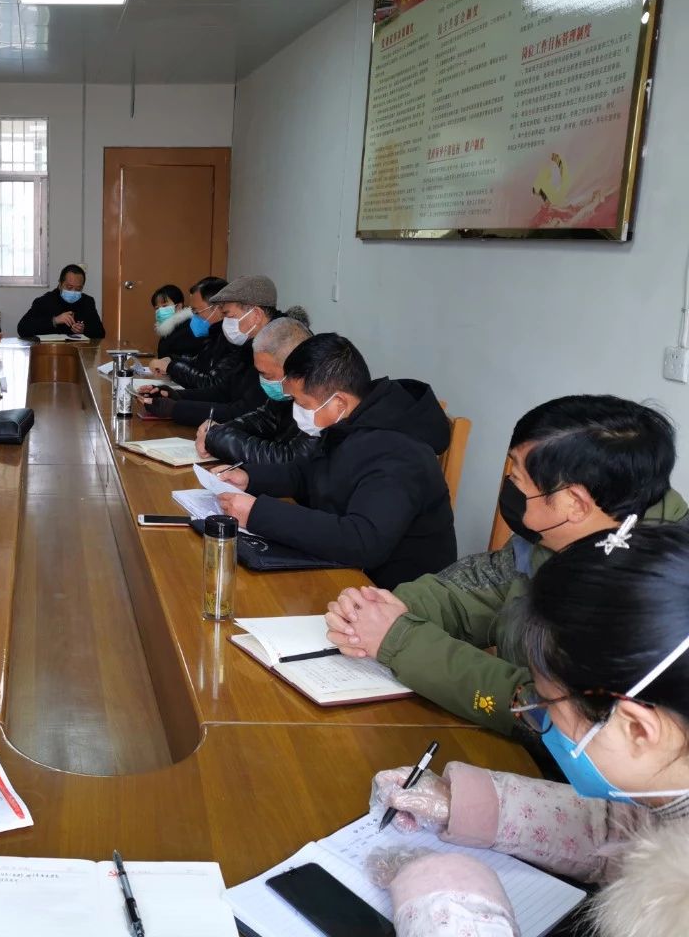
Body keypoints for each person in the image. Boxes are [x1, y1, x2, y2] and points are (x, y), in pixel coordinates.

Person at [367, 523, 689, 937]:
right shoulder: (664, 784)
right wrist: (459, 803)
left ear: (638, 730)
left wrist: (454, 920)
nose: (538, 716)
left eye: (546, 704)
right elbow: (624, 831)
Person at [323, 395, 683, 735]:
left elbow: (548, 717)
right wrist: (378, 611)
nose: (508, 486)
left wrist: (400, 639)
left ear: (574, 503)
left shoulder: (655, 602)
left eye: (518, 479)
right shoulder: (558, 537)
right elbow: (473, 589)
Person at [216, 333, 455, 587]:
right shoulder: (351, 422)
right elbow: (308, 474)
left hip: (392, 593)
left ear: (339, 402)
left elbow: (362, 541)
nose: (296, 412)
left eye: (301, 403)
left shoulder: (401, 453)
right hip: (344, 570)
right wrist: (249, 478)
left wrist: (258, 513)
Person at [140, 276, 306, 427]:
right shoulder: (249, 344)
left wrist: (176, 409)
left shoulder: (279, 348)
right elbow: (224, 391)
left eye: (228, 315)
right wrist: (175, 396)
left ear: (256, 315)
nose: (224, 321)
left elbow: (243, 411)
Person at [196, 316, 319, 467]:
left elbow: (289, 460)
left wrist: (219, 439)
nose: (262, 380)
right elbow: (265, 418)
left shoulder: (322, 400)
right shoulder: (286, 394)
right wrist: (223, 429)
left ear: (293, 370)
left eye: (266, 375)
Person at [148, 276, 231, 389]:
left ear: (218, 308)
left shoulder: (232, 340)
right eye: (156, 308)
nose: (194, 317)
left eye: (196, 311)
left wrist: (171, 366)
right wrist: (171, 362)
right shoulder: (214, 336)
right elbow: (199, 364)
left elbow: (212, 385)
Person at [16, 263, 106, 339]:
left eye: (78, 289)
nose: (73, 292)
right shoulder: (44, 301)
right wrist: (54, 321)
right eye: (69, 287)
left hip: (77, 351)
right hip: (50, 351)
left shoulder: (87, 302)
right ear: (60, 284)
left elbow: (100, 333)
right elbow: (22, 329)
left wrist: (84, 330)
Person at [151, 284, 202, 359]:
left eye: (164, 306)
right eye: (157, 308)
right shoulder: (167, 330)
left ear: (178, 306)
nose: (160, 310)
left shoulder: (190, 328)